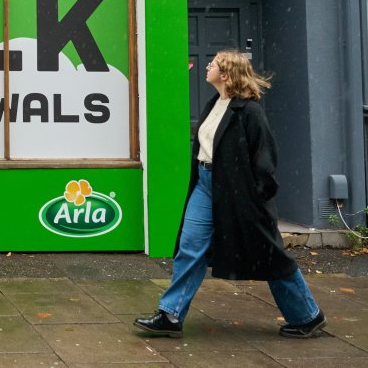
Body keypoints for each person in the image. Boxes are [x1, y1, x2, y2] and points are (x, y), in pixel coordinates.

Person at [134, 49, 325, 339]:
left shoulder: (249, 111)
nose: (207, 66)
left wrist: (258, 196)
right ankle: (170, 315)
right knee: (190, 247)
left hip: (241, 194)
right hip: (205, 183)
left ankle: (307, 315)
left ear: (226, 74)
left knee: (270, 254)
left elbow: (265, 159)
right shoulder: (215, 103)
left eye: (213, 64)